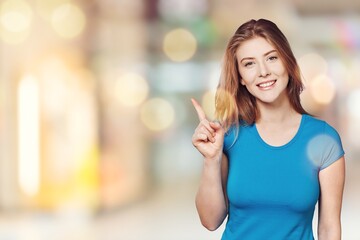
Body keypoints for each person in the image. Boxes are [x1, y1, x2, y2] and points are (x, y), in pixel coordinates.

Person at [191, 19, 345, 240]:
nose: (263, 72)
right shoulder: (228, 136)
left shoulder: (323, 138)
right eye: (249, 64)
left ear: (287, 62)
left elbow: (329, 229)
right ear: (241, 78)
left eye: (271, 58)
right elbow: (210, 220)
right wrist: (211, 159)